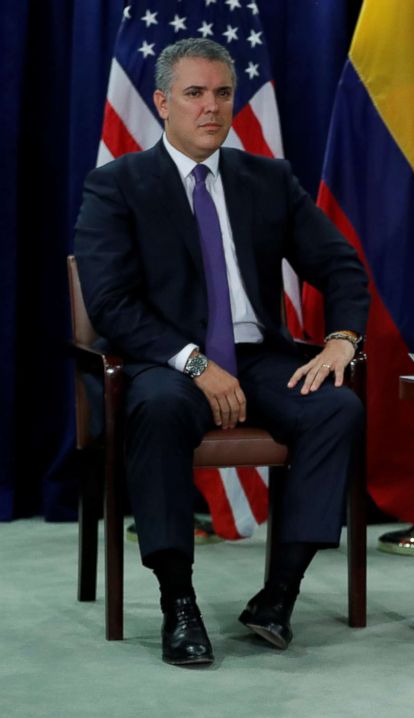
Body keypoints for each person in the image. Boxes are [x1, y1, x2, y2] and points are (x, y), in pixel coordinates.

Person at [74, 38, 369, 667]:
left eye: (223, 93)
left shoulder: (267, 179)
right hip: (166, 361)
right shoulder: (117, 184)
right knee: (155, 410)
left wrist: (342, 339)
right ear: (162, 103)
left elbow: (340, 265)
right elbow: (111, 304)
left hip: (258, 356)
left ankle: (279, 595)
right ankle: (178, 602)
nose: (212, 108)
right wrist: (196, 364)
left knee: (335, 408)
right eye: (195, 93)